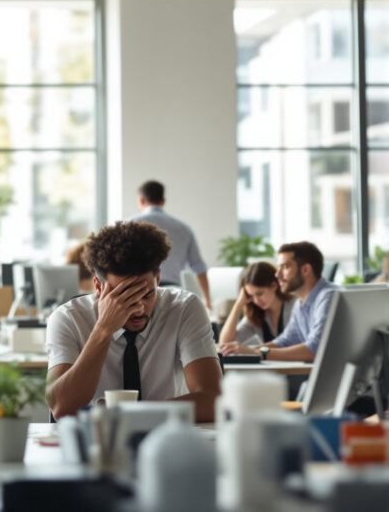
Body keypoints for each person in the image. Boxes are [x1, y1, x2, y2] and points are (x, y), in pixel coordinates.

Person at [45, 221, 222, 422]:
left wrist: (128, 412)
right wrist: (104, 329)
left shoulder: (184, 308)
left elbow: (214, 401)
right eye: (125, 298)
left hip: (167, 435)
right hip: (97, 438)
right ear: (99, 287)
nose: (139, 309)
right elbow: (61, 408)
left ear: (158, 278)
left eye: (147, 295)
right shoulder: (68, 318)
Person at [219, 242, 338, 362]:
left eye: (284, 267)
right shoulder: (300, 304)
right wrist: (247, 351)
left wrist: (256, 352)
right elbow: (285, 341)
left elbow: (315, 350)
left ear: (305, 270)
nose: (277, 274)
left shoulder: (329, 297)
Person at [127, 180, 211, 311]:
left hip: (139, 294)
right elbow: (198, 267)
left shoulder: (128, 225)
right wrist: (207, 300)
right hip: (174, 295)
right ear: (163, 201)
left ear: (141, 200)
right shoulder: (184, 228)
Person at [217, 261, 296, 346]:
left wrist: (254, 350)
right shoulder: (256, 315)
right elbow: (225, 344)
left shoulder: (296, 305)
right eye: (251, 296)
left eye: (259, 294)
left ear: (274, 285)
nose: (256, 301)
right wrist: (239, 304)